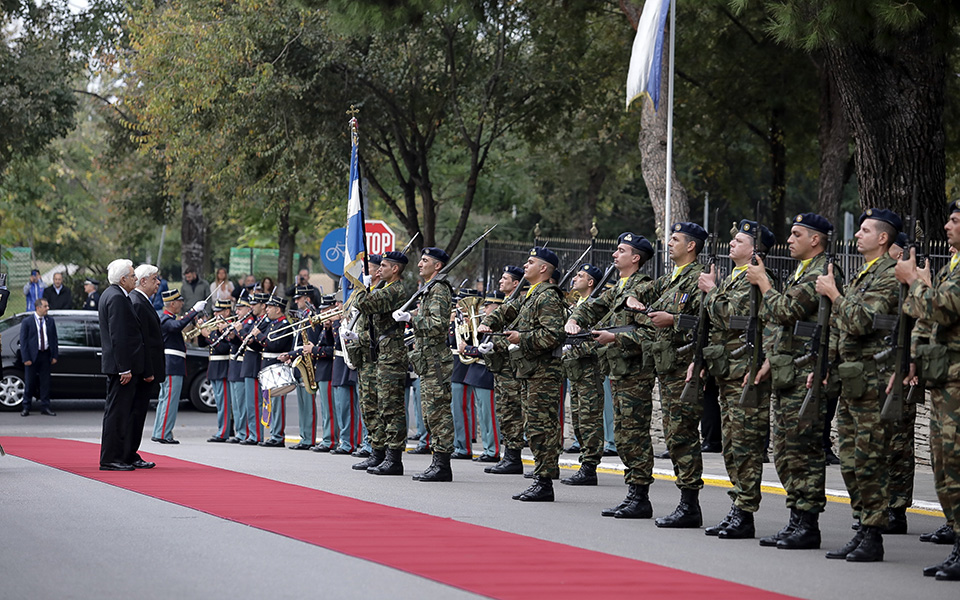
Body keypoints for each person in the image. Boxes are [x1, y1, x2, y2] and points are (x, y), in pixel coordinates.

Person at [747, 212, 840, 550]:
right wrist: (770, 361)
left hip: (806, 374)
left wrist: (763, 281)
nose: (789, 240)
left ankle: (808, 523)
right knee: (786, 452)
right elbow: (782, 325)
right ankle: (796, 518)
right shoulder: (802, 271)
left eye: (796, 234)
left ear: (815, 240)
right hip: (789, 371)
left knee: (804, 451)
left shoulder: (820, 272)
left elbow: (785, 312)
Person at [814, 208, 900, 562]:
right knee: (849, 461)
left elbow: (862, 321)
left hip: (872, 382)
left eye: (865, 230)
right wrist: (827, 365)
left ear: (883, 238)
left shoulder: (890, 275)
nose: (858, 234)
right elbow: (839, 327)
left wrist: (834, 294)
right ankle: (863, 526)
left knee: (869, 460)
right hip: (851, 380)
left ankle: (874, 534)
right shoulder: (863, 275)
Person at [697, 220, 776, 539]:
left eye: (739, 240)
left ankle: (745, 511)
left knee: (745, 445)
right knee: (731, 445)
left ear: (756, 249)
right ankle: (738, 507)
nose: (732, 243)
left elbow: (732, 317)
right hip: (727, 371)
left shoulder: (754, 278)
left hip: (746, 372)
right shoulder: (734, 277)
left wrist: (711, 290)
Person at [896, 200, 960, 580]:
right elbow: (926, 317)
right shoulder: (953, 266)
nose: (947, 226)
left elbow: (941, 308)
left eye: (954, 220)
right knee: (943, 464)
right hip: (943, 380)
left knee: (954, 463)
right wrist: (915, 356)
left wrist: (915, 282)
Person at [574, 233, 657, 516]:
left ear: (635, 258)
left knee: (634, 435)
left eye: (621, 250)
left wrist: (615, 338)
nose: (614, 254)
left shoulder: (643, 288)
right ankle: (633, 493)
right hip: (619, 372)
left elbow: (650, 333)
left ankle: (640, 497)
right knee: (622, 435)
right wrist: (574, 319)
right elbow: (592, 308)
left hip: (636, 374)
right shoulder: (618, 289)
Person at [637, 222, 709, 528]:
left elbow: (707, 320)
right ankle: (686, 502)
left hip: (685, 366)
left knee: (683, 434)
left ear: (691, 246)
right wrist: (634, 302)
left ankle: (690, 504)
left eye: (675, 239)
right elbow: (638, 292)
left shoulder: (699, 278)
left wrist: (673, 319)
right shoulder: (670, 280)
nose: (669, 243)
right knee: (673, 434)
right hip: (667, 367)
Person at [484, 247, 566, 502]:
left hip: (543, 373)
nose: (525, 265)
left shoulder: (548, 297)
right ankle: (542, 479)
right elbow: (508, 310)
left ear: (543, 268)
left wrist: (522, 337)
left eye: (530, 262)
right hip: (530, 371)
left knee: (542, 427)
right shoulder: (531, 295)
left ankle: (544, 482)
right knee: (534, 425)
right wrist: (489, 322)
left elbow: (553, 335)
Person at [395, 247, 455, 482]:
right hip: (428, 360)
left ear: (437, 266)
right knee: (430, 413)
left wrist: (411, 318)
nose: (419, 264)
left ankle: (442, 465)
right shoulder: (429, 288)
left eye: (425, 260)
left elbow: (438, 325)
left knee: (438, 412)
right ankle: (437, 462)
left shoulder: (439, 289)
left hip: (436, 361)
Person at [348, 251, 408, 475]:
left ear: (395, 269)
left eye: (383, 266)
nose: (379, 269)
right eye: (379, 265)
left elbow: (364, 303)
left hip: (391, 355)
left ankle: (394, 458)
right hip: (379, 353)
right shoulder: (384, 288)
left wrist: (362, 287)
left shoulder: (395, 290)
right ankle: (378, 452)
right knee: (374, 406)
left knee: (391, 408)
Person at [477, 266, 526, 475]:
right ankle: (510, 456)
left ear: (516, 283)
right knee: (505, 411)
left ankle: (514, 457)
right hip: (501, 366)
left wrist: (496, 344)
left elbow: (519, 334)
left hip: (513, 367)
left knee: (513, 411)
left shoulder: (519, 304)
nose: (500, 281)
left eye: (505, 278)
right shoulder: (506, 303)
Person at [560, 263, 606, 486]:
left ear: (590, 282)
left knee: (590, 419)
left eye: (580, 275)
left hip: (590, 370)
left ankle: (589, 467)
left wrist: (574, 347)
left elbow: (600, 340)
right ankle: (584, 462)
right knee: (578, 419)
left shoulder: (596, 307)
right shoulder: (576, 307)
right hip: (574, 370)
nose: (574, 278)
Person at [98, 259, 146, 471]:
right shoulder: (117, 297)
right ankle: (111, 458)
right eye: (133, 276)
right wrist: (124, 368)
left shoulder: (112, 294)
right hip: (120, 367)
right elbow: (118, 335)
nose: (136, 279)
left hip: (118, 365)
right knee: (117, 413)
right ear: (123, 279)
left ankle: (119, 456)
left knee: (118, 412)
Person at [151, 289, 206, 444]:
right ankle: (164, 434)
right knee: (170, 401)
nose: (182, 304)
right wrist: (194, 311)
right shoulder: (166, 319)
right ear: (173, 304)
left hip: (172, 364)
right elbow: (177, 325)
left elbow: (180, 324)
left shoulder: (169, 318)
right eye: (180, 301)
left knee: (165, 400)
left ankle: (160, 432)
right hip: (172, 365)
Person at [347, 255, 382, 465]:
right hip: (362, 357)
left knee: (374, 405)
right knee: (367, 405)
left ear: (377, 272)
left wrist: (358, 337)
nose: (363, 273)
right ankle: (373, 448)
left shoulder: (378, 294)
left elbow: (379, 331)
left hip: (373, 358)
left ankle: (377, 450)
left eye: (367, 269)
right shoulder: (366, 292)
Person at [280, 287, 323, 450]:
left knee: (308, 405)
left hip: (308, 363)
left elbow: (308, 345)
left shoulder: (311, 317)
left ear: (308, 299)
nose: (296, 301)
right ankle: (304, 437)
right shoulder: (303, 317)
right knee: (302, 405)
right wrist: (291, 356)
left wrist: (291, 354)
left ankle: (309, 438)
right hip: (300, 363)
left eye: (299, 298)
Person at [129, 264, 163, 469]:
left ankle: (131, 452)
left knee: (139, 413)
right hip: (143, 371)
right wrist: (148, 371)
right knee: (136, 413)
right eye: (154, 279)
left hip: (146, 370)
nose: (158, 282)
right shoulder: (138, 302)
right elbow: (143, 342)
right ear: (143, 281)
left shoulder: (142, 301)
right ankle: (130, 453)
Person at [252, 297, 294, 447]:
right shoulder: (272, 324)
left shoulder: (284, 325)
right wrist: (252, 340)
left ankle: (278, 436)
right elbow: (264, 345)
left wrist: (259, 335)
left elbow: (274, 345)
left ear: (278, 309)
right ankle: (273, 433)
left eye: (270, 307)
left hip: (277, 367)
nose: (267, 310)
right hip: (268, 366)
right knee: (269, 402)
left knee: (277, 403)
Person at [19, 298, 58, 416]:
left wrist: (54, 355)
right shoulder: (27, 322)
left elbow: (54, 339)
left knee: (45, 383)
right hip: (32, 356)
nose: (47, 308)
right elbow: (23, 341)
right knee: (30, 382)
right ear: (38, 308)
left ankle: (45, 406)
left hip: (45, 355)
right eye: (45, 306)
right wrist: (26, 358)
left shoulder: (50, 321)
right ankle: (26, 406)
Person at [203, 299, 236, 443]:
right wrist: (201, 330)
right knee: (219, 403)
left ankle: (223, 432)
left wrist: (208, 335)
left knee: (224, 404)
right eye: (215, 312)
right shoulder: (216, 326)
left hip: (223, 367)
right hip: (214, 367)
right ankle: (223, 429)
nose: (215, 314)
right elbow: (202, 343)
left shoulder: (230, 327)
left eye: (219, 312)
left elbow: (223, 348)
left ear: (227, 312)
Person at [225, 297, 253, 443]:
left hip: (243, 365)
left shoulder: (250, 323)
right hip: (234, 366)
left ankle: (244, 433)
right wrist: (231, 336)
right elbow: (236, 343)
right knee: (236, 404)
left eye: (240, 309)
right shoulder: (240, 323)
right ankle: (239, 432)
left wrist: (238, 332)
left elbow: (247, 342)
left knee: (242, 404)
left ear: (248, 309)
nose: (237, 312)